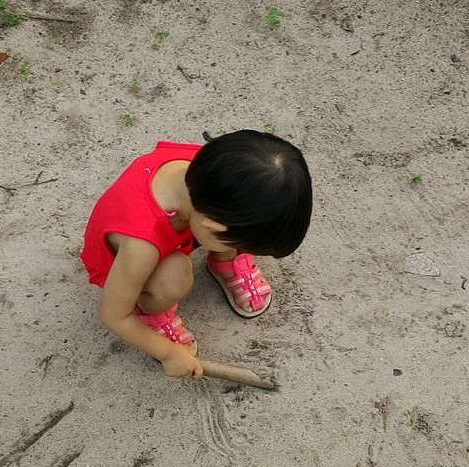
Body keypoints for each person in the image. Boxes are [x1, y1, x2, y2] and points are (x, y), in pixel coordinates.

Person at [81, 130, 313, 379]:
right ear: (211, 227)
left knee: (241, 209)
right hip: (128, 262)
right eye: (241, 246)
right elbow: (113, 315)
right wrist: (168, 353)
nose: (246, 250)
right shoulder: (141, 247)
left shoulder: (215, 169)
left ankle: (225, 262)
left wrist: (232, 239)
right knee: (174, 276)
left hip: (191, 221)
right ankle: (151, 310)